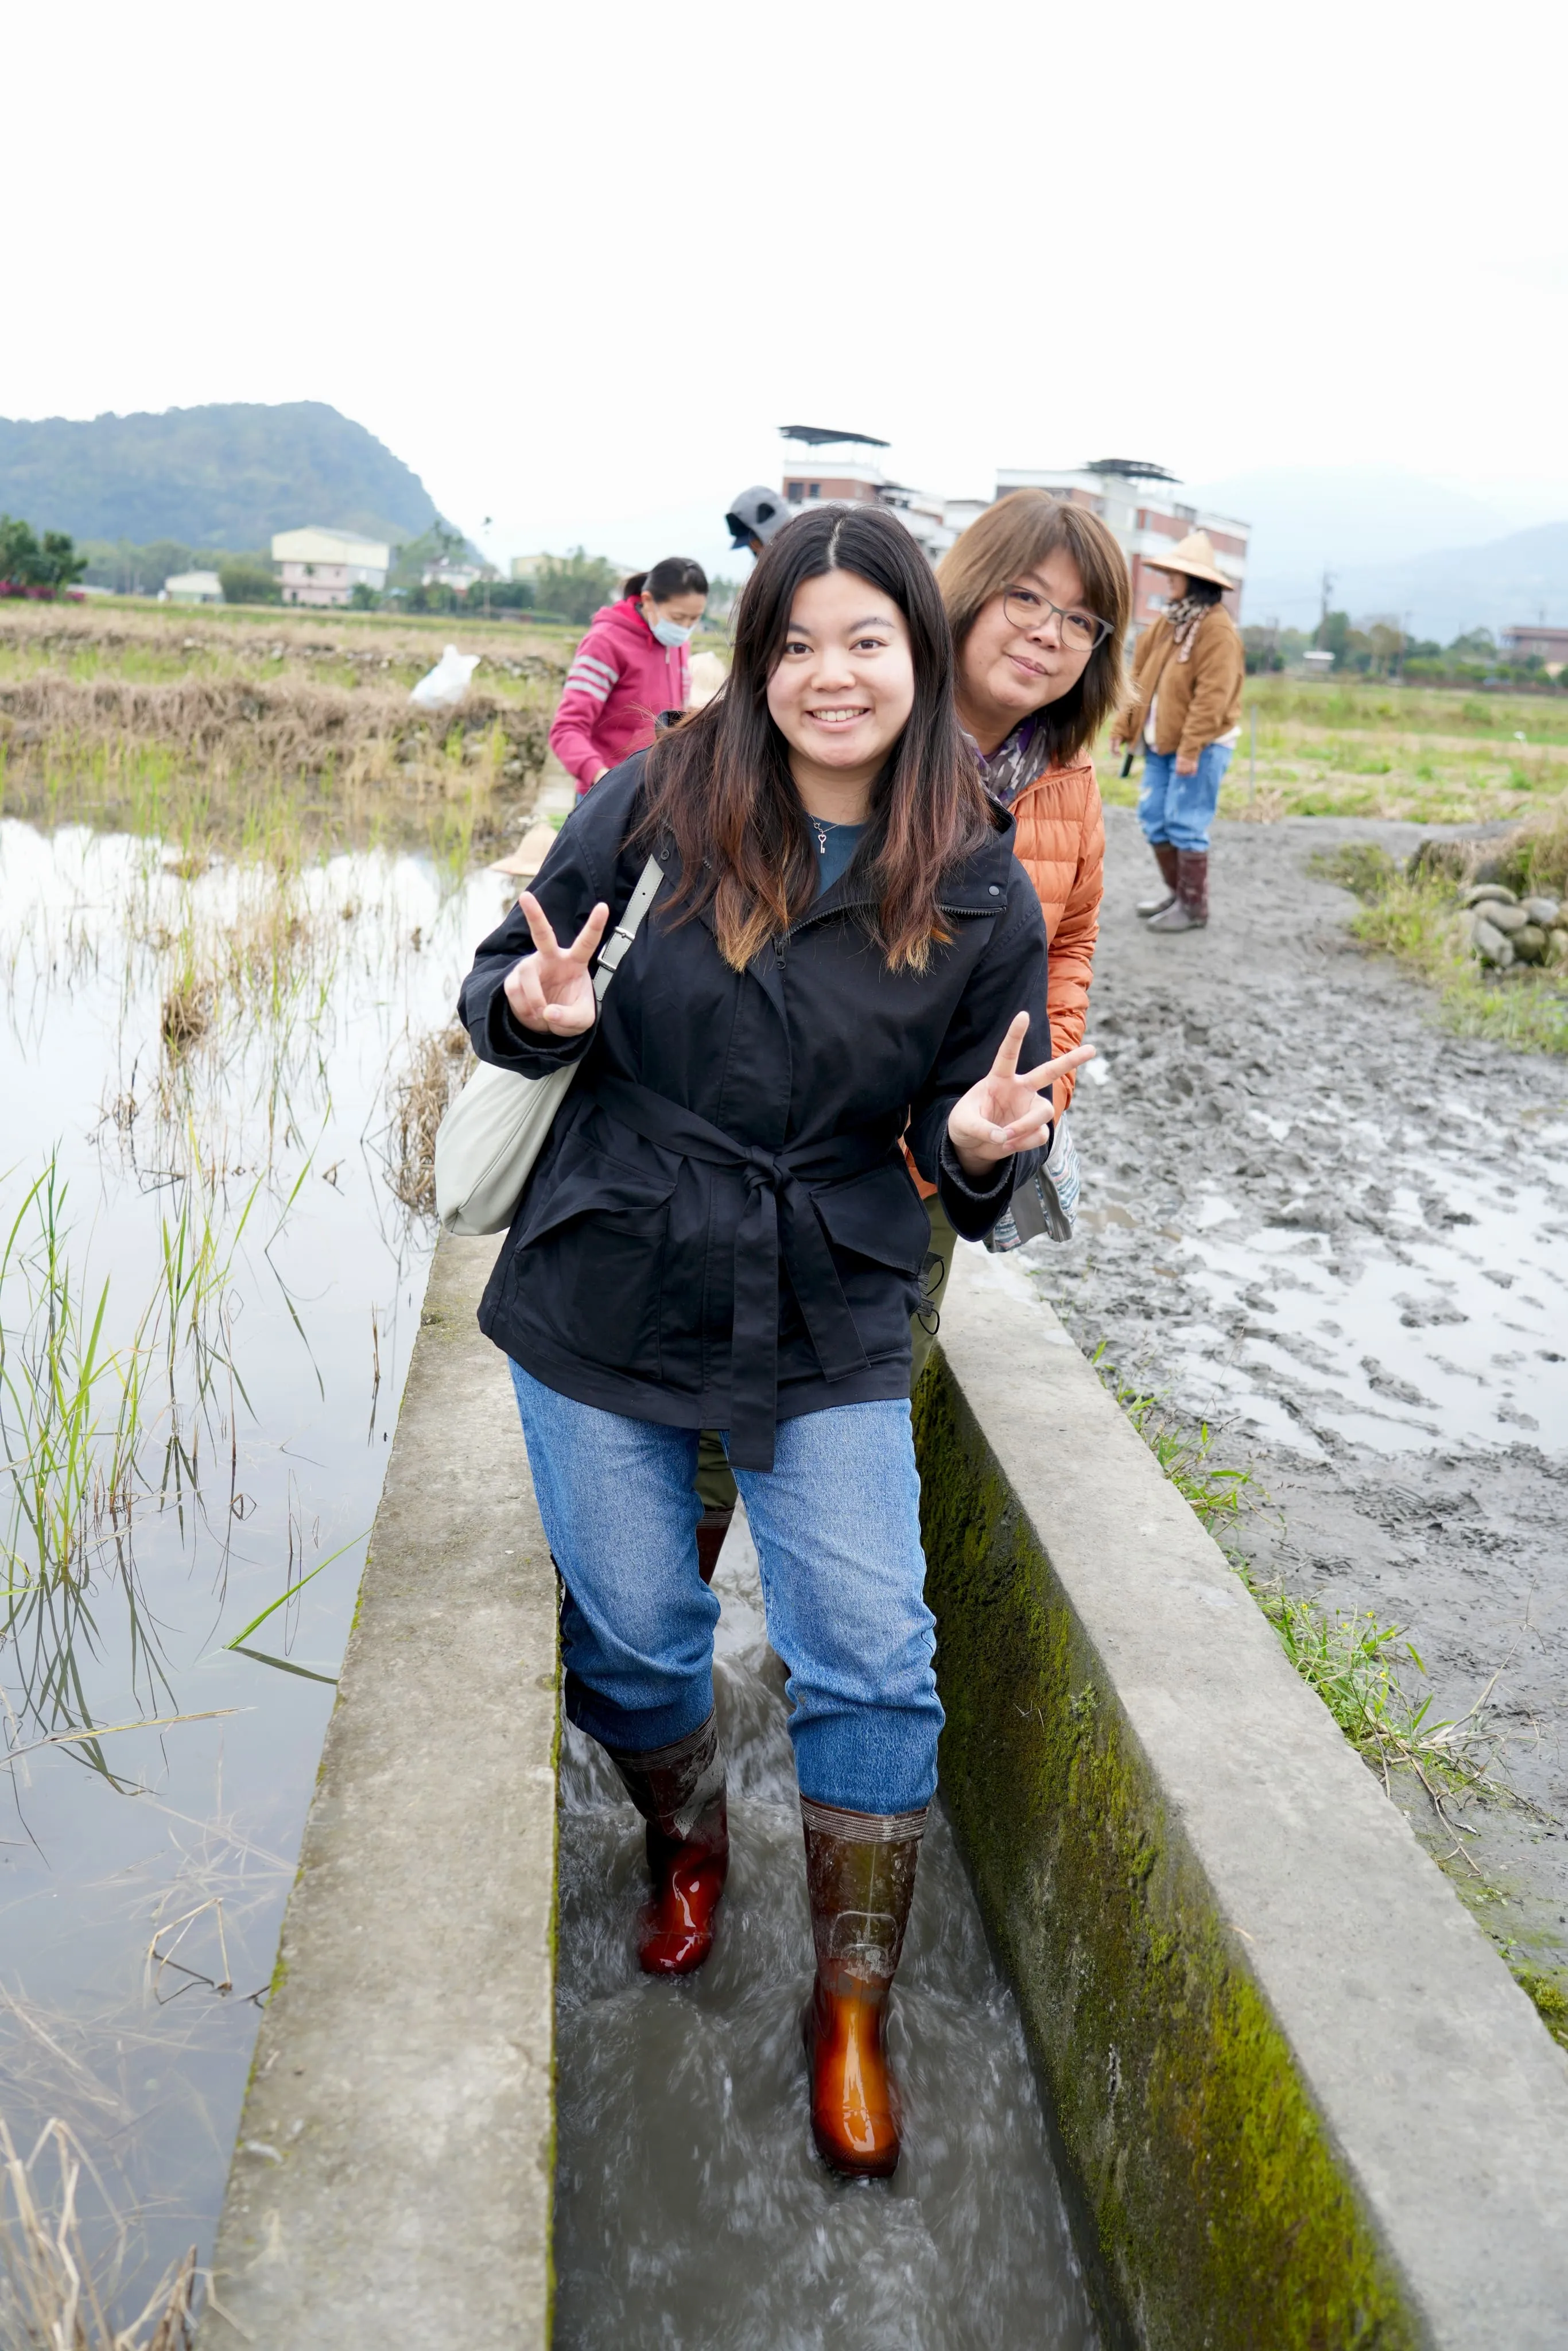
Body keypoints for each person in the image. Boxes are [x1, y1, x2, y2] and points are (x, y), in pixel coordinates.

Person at [458, 505, 1088, 2179]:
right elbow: (496, 980)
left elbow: (979, 1168)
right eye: (794, 642)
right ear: (753, 656)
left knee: (872, 1647)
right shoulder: (655, 800)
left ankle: (852, 2003)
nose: (831, 674)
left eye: (864, 641)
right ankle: (684, 1832)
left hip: (825, 1290)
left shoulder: (966, 879)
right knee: (640, 1624)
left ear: (915, 657)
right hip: (605, 1272)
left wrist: (976, 1139)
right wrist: (528, 1015)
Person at [905, 489, 1128, 1376]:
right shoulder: (869, 733)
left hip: (943, 1157)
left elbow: (1071, 948)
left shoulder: (1069, 779)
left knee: (876, 1381)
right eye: (1026, 598)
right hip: (812, 1140)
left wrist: (1038, 1093)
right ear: (968, 591)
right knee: (713, 1438)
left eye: (1081, 619)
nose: (1049, 632)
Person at [1109, 529, 1244, 933]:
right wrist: (1123, 724)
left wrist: (1191, 749)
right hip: (1160, 743)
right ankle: (1179, 897)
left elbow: (1213, 696)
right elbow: (1139, 676)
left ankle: (1193, 908)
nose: (1168, 579)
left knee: (1185, 821)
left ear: (1196, 581)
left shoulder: (1217, 630)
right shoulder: (1168, 623)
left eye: (1175, 574)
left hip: (1200, 747)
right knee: (1154, 816)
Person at [548, 557, 709, 797]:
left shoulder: (677, 644)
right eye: (677, 619)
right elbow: (567, 729)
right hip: (608, 795)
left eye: (694, 620)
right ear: (648, 601)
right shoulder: (606, 642)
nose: (685, 628)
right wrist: (601, 777)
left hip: (657, 793)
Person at [724, 484, 795, 559]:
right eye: (749, 545)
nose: (754, 549)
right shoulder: (783, 565)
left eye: (754, 542)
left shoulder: (803, 558)